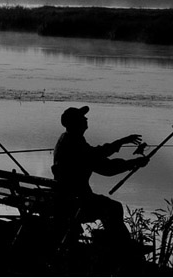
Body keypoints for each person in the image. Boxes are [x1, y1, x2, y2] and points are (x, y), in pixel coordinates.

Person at [51, 105, 149, 245]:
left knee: (110, 206)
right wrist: (132, 162)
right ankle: (122, 248)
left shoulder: (67, 140)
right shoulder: (75, 144)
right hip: (75, 202)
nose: (86, 118)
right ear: (75, 123)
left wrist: (123, 147)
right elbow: (106, 168)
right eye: (82, 117)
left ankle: (116, 246)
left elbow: (97, 157)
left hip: (64, 198)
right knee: (113, 208)